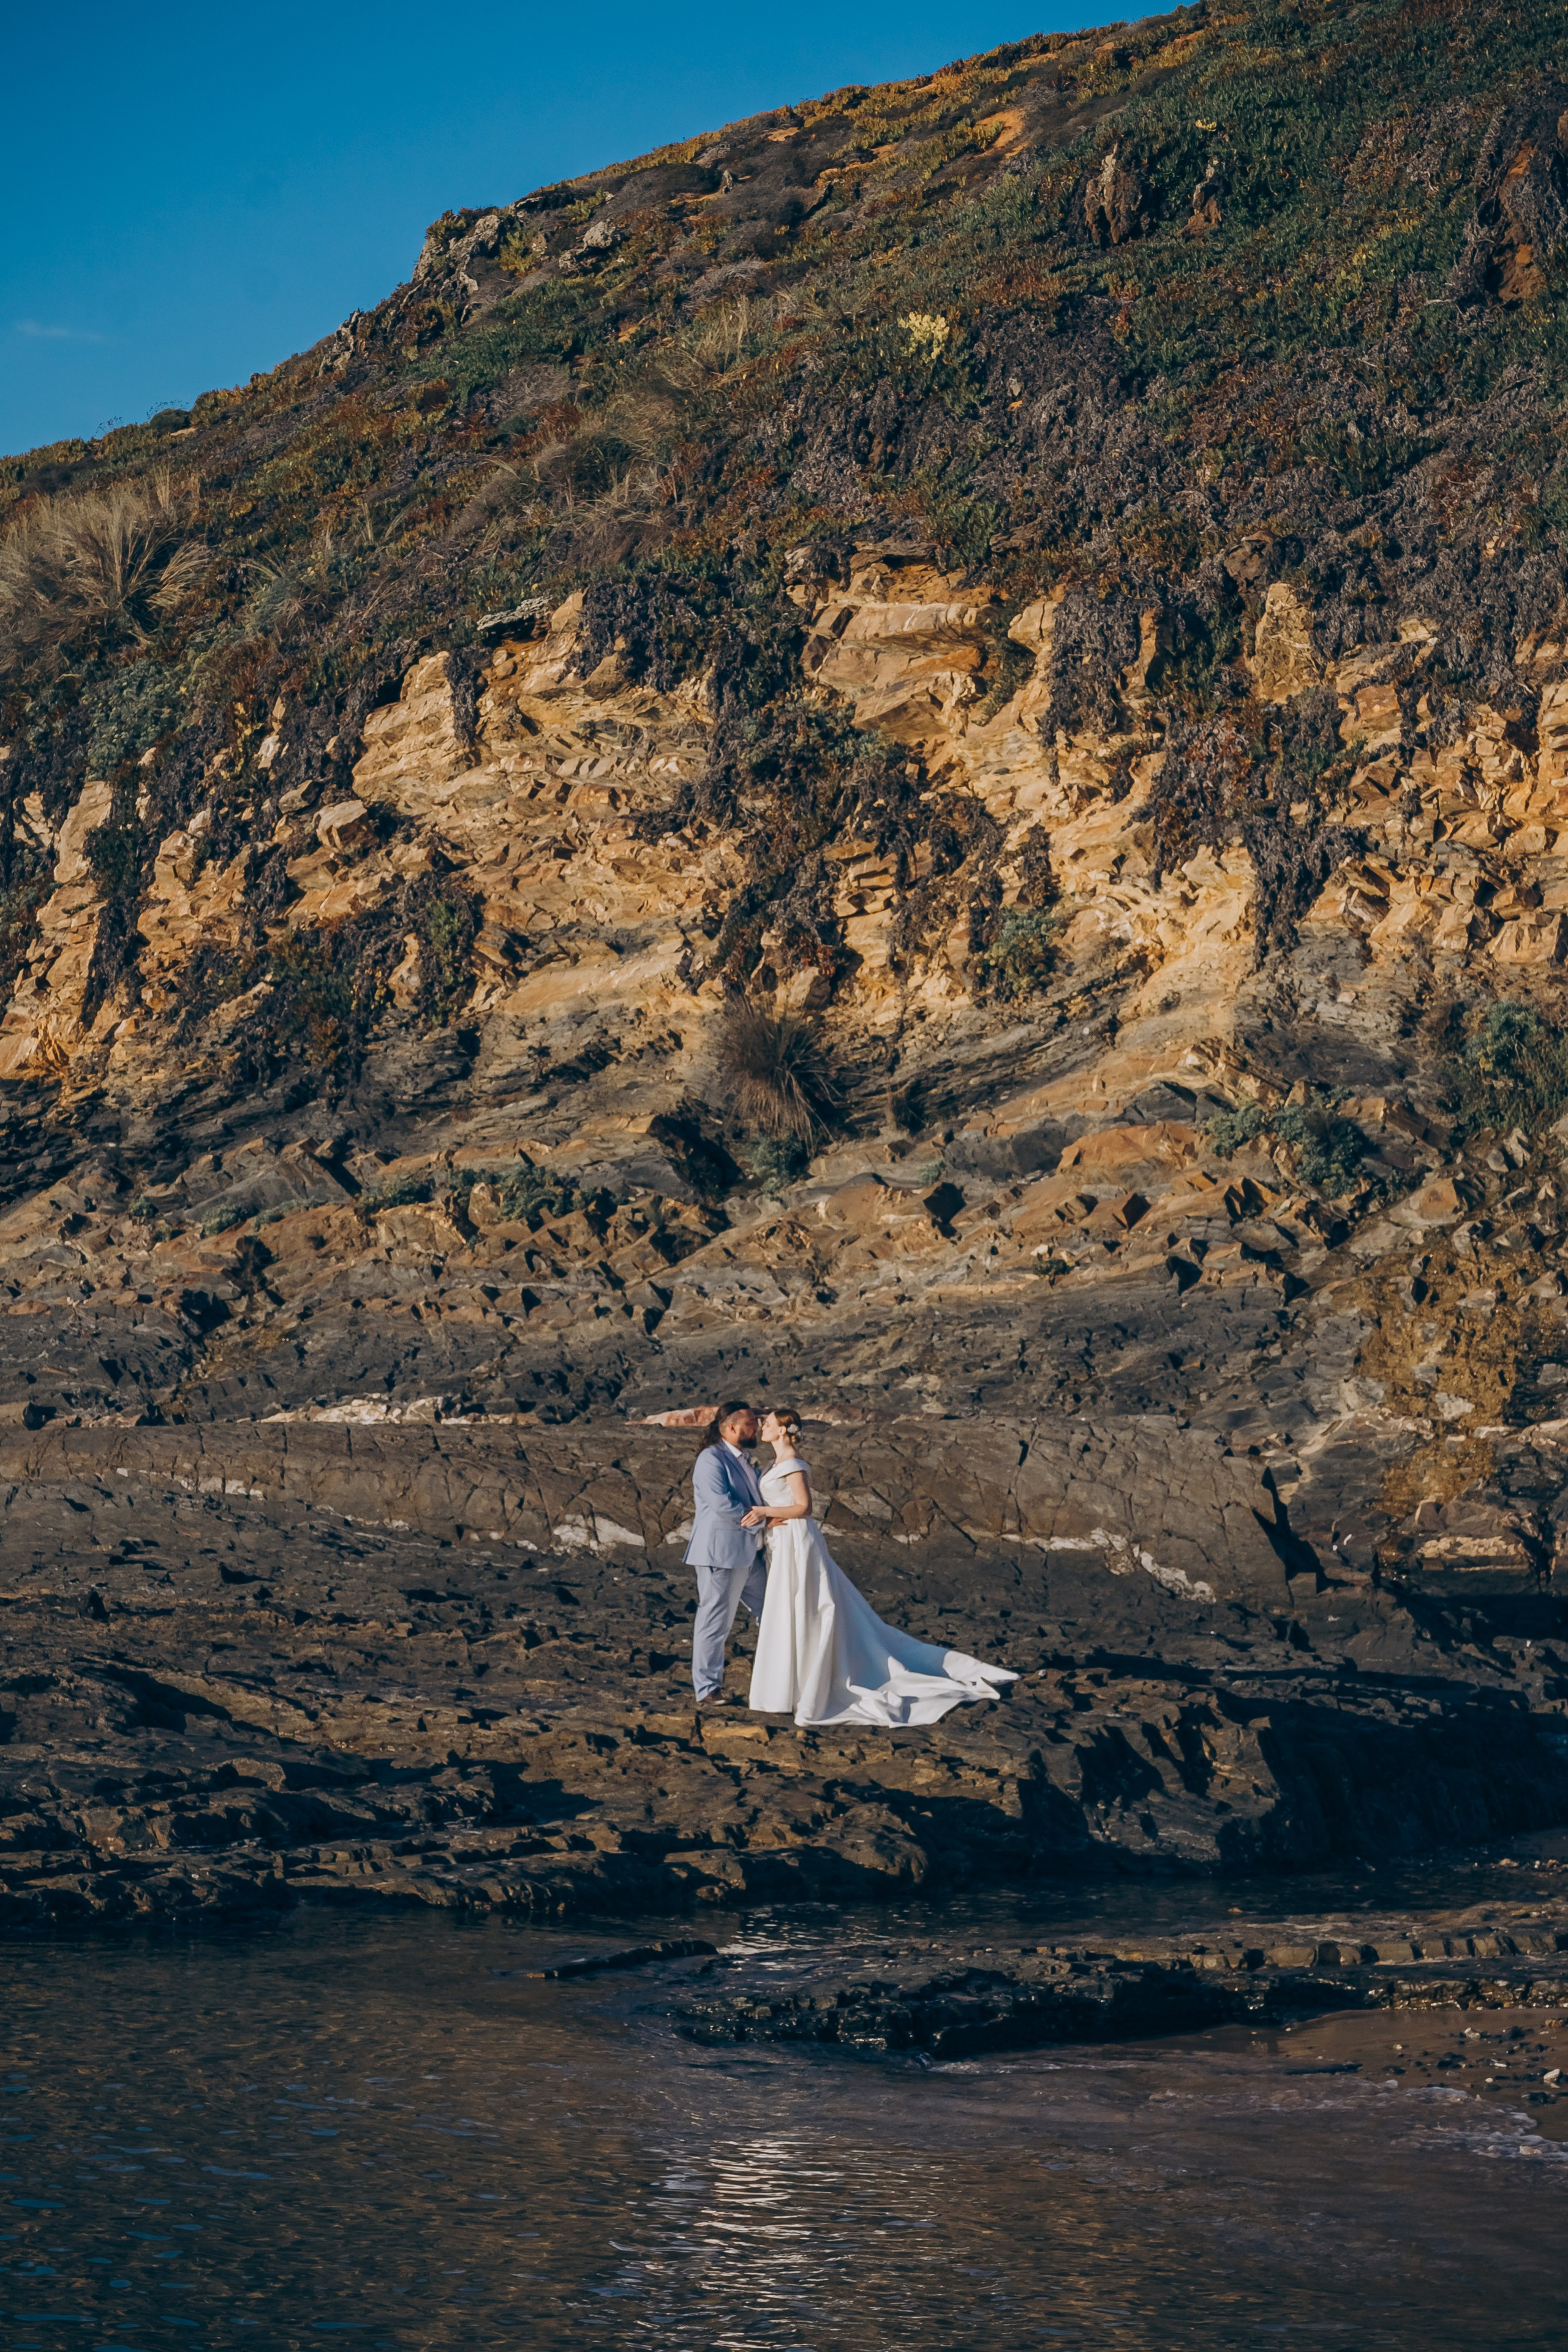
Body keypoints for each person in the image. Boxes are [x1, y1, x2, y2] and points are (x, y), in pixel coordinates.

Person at [743, 1407, 1017, 1727]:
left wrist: (764, 1512)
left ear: (783, 1430)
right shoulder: (774, 1463)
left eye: (768, 1423)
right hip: (780, 1541)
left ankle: (810, 1683)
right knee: (787, 1605)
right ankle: (790, 1686)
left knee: (807, 1605)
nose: (762, 1426)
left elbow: (805, 1507)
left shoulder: (793, 1463)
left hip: (797, 1541)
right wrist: (768, 1518)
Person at [683, 1401, 767, 1706]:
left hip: (750, 1555)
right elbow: (722, 1505)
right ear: (731, 1428)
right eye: (750, 1423)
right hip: (720, 1555)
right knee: (715, 1621)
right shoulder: (711, 1458)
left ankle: (779, 1678)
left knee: (774, 1611)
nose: (756, 1427)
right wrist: (766, 1520)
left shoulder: (745, 1459)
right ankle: (707, 1689)